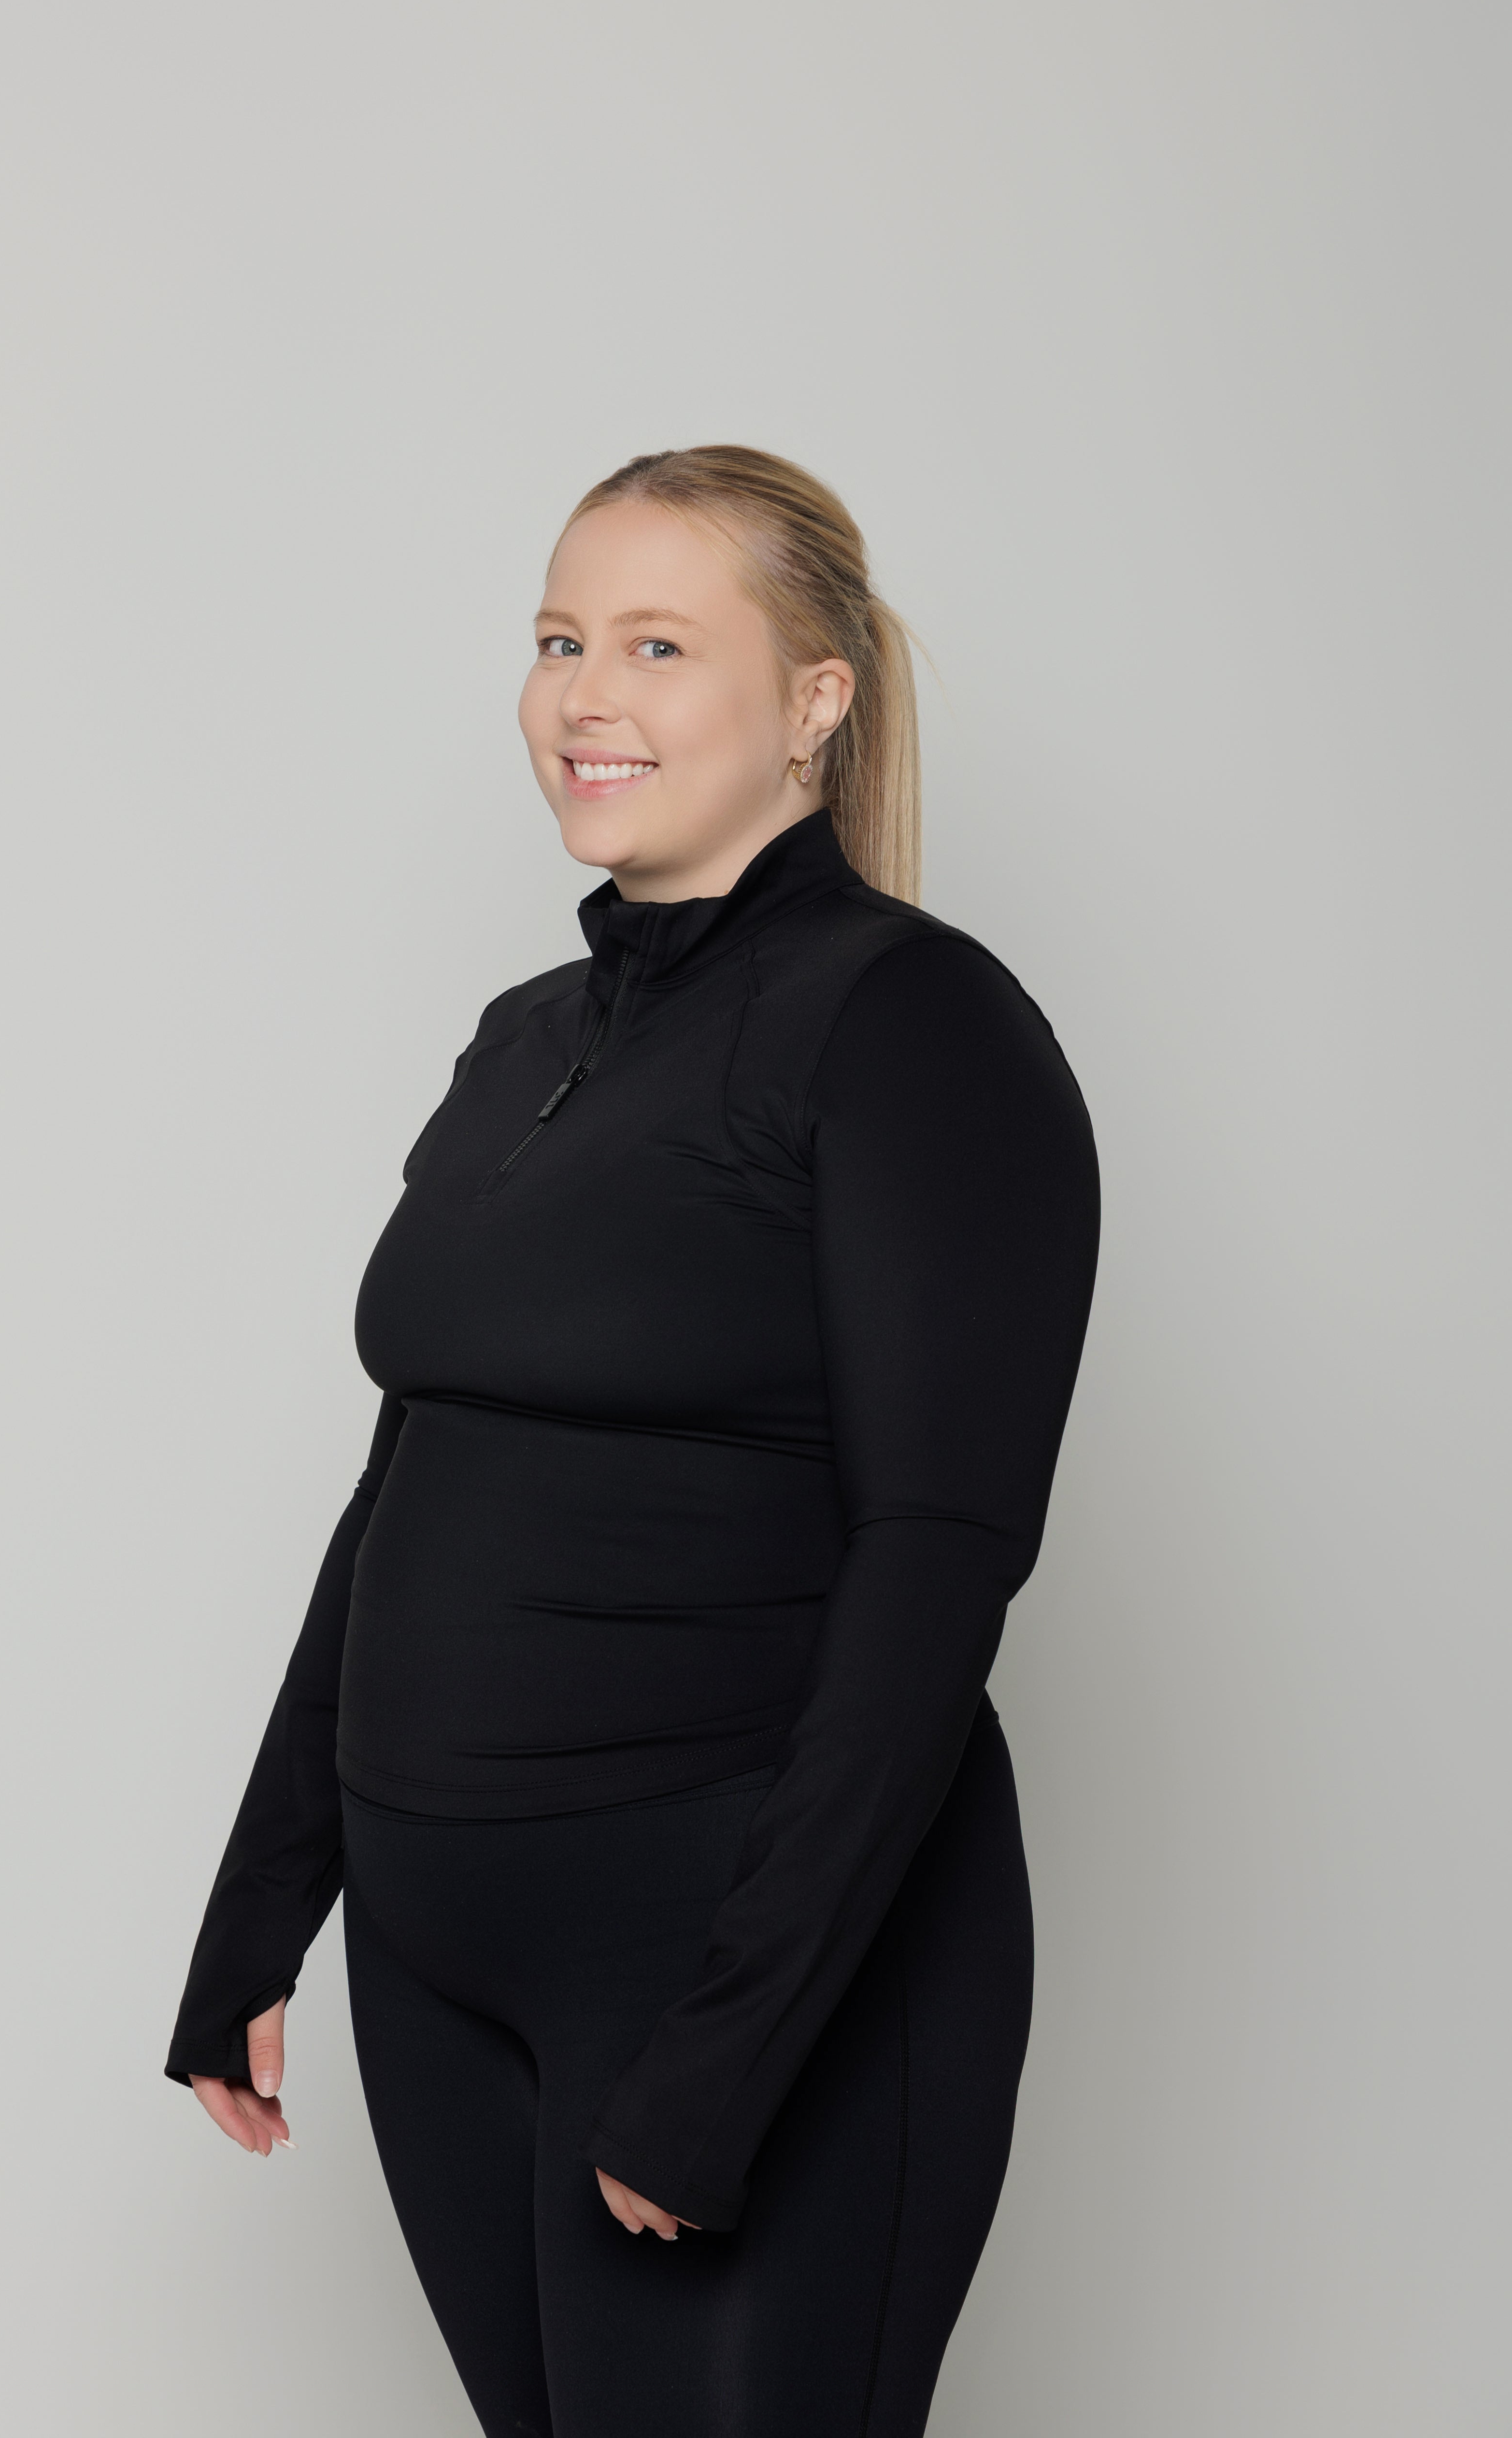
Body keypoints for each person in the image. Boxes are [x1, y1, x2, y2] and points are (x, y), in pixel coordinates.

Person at [165, 445, 1100, 2436]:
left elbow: (940, 1558)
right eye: (559, 639)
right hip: (441, 1960)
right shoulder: (529, 1036)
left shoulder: (914, 1025)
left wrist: (733, 2051)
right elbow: (413, 1477)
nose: (586, 695)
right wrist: (265, 1902)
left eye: (660, 645)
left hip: (723, 1950)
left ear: (816, 699)